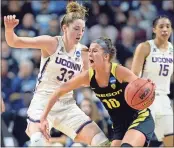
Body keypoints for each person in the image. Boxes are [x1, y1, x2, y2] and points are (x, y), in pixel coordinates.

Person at [4, 1, 109, 146]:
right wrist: (9, 30)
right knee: (37, 142)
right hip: (43, 100)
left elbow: (86, 81)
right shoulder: (51, 43)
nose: (80, 33)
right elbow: (15, 42)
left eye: (83, 30)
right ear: (64, 28)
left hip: (66, 104)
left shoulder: (84, 52)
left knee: (100, 140)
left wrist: (99, 74)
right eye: (76, 29)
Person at [40, 37, 155, 147]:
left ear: (106, 56)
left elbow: (141, 86)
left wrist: (149, 87)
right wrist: (43, 117)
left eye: (94, 51)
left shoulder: (119, 72)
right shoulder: (88, 76)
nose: (90, 54)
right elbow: (60, 90)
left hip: (139, 118)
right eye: (89, 50)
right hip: (119, 125)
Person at [131, 15, 173, 147]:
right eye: (161, 27)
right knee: (141, 140)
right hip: (146, 98)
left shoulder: (172, 50)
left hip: (164, 98)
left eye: (168, 26)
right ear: (154, 29)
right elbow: (133, 76)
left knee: (170, 141)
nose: (165, 29)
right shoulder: (145, 47)